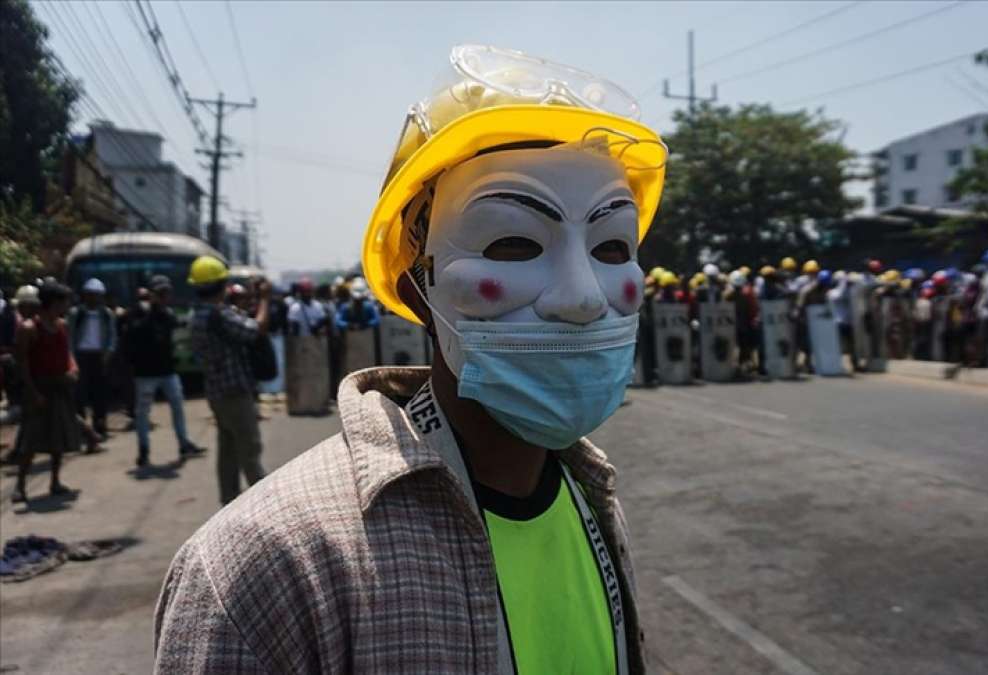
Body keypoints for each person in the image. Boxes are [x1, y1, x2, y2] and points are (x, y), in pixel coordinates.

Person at [155, 46, 657, 672]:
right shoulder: (269, 568)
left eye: (613, 247)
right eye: (512, 242)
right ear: (419, 281)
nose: (583, 297)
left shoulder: (593, 497)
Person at [187, 256, 270, 505]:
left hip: (216, 392)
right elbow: (256, 330)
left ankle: (229, 501)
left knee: (228, 452)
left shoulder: (197, 315)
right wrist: (264, 299)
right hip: (235, 393)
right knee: (250, 451)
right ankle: (267, 504)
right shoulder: (218, 314)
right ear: (221, 285)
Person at [124, 275, 206, 467]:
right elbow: (132, 334)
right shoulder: (139, 312)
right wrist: (149, 310)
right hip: (145, 374)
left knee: (178, 407)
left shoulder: (168, 314)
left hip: (167, 371)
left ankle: (184, 443)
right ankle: (143, 451)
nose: (164, 297)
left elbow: (177, 334)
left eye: (166, 293)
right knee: (143, 413)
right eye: (160, 294)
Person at [11, 283, 80, 502]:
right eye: (64, 301)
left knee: (58, 438)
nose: (67, 305)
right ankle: (20, 486)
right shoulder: (29, 328)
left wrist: (73, 368)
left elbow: (67, 353)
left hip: (60, 387)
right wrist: (33, 393)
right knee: (29, 441)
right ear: (54, 302)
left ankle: (55, 481)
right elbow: (22, 365)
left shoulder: (62, 325)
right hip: (38, 388)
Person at [68, 278, 117, 438]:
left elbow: (112, 336)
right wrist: (71, 357)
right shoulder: (77, 314)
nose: (93, 298)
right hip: (81, 356)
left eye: (97, 295)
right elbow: (71, 336)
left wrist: (108, 352)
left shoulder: (106, 314)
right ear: (85, 295)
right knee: (79, 393)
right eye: (90, 295)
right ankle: (82, 430)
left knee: (100, 394)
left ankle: (100, 426)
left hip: (99, 356)